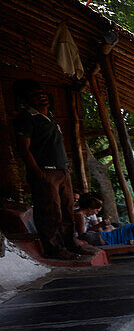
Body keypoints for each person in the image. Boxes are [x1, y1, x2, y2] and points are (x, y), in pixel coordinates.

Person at [11, 79, 89, 260]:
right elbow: (24, 148)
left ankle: (70, 244)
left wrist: (66, 166)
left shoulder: (51, 117)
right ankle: (54, 248)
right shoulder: (26, 118)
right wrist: (38, 173)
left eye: (42, 93)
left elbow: (56, 145)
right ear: (26, 100)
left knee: (67, 209)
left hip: (62, 171)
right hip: (45, 172)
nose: (41, 97)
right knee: (50, 210)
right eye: (35, 95)